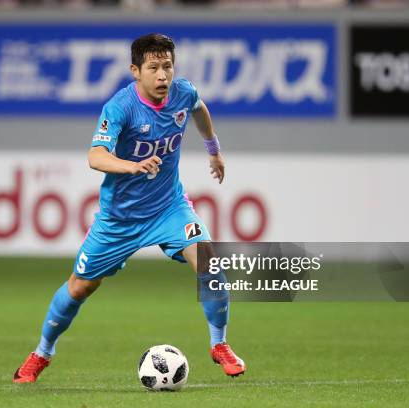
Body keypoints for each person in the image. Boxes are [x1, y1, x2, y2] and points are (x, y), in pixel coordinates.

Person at [13, 33, 246, 383]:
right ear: (135, 71)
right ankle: (42, 352)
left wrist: (213, 148)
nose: (163, 76)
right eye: (153, 68)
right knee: (79, 288)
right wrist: (130, 165)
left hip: (169, 208)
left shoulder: (183, 92)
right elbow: (95, 156)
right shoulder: (120, 107)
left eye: (167, 66)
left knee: (209, 262)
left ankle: (219, 345)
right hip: (119, 220)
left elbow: (198, 107)